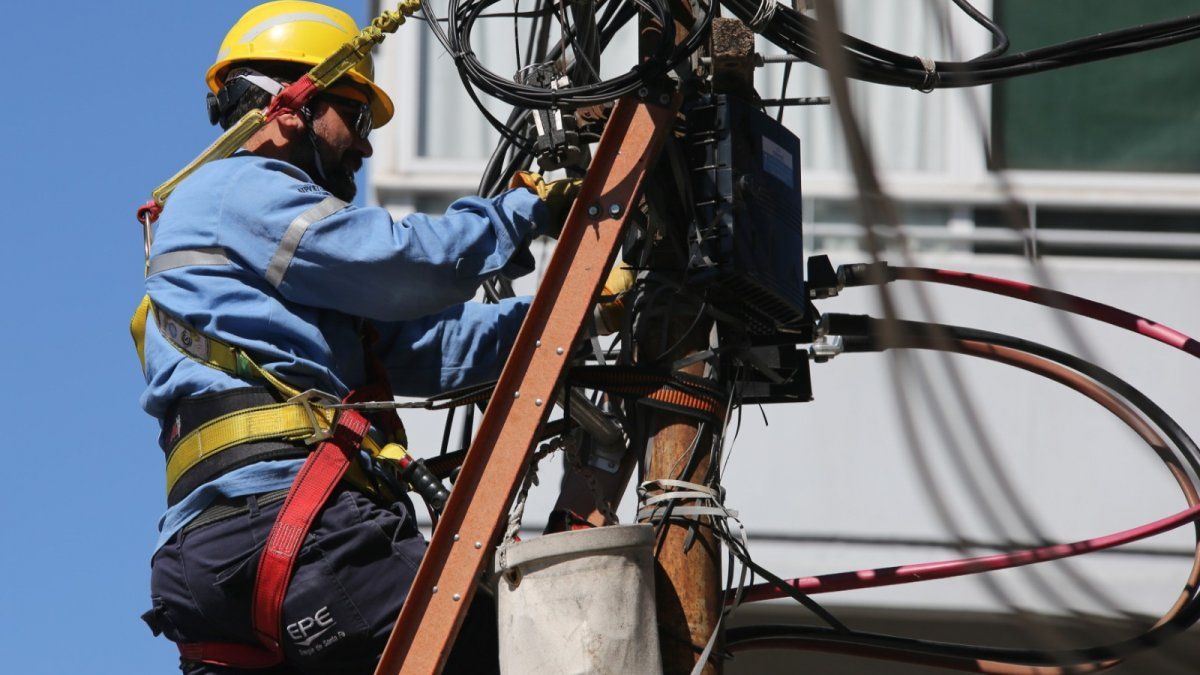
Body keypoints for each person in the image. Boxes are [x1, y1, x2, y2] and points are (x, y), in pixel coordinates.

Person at [135, 3, 577, 672]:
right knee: (509, 654)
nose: (365, 146)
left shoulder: (271, 265)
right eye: (356, 115)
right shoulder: (238, 190)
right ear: (290, 105)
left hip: (212, 560)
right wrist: (528, 208)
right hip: (292, 528)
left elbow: (425, 349)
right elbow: (399, 261)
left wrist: (580, 313)